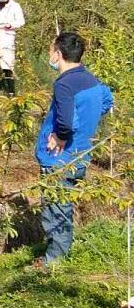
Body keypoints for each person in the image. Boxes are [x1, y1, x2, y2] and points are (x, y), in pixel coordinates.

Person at [34, 32, 113, 267]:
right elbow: (108, 100)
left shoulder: (64, 84)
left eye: (51, 51)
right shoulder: (91, 79)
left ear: (58, 54)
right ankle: (58, 254)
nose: (50, 55)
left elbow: (66, 122)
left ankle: (54, 263)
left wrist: (61, 135)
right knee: (63, 205)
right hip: (81, 155)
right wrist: (87, 120)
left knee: (55, 209)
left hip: (59, 158)